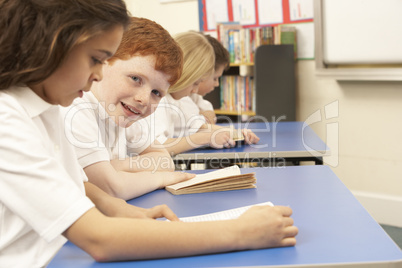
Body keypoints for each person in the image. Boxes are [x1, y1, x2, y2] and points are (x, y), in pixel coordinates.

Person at [0, 1, 298, 266]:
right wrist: (241, 231)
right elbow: (100, 240)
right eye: (95, 59)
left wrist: (115, 207)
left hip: (57, 252)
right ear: (52, 44)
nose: (99, 74)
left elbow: (73, 182)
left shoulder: (47, 105)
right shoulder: (8, 118)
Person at [62, 17, 194, 200]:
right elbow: (110, 189)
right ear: (104, 61)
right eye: (135, 79)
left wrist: (118, 166)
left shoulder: (127, 112)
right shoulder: (77, 108)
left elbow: (164, 160)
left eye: (156, 92)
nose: (143, 99)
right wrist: (163, 178)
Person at [143, 31, 260, 156]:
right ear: (185, 74)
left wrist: (235, 134)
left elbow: (197, 126)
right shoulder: (157, 101)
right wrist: (205, 138)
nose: (194, 91)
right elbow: (154, 147)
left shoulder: (177, 98)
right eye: (195, 83)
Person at [190, 33, 230, 124]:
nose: (217, 84)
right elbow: (196, 125)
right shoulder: (180, 97)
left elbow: (211, 116)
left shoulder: (194, 96)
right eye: (215, 78)